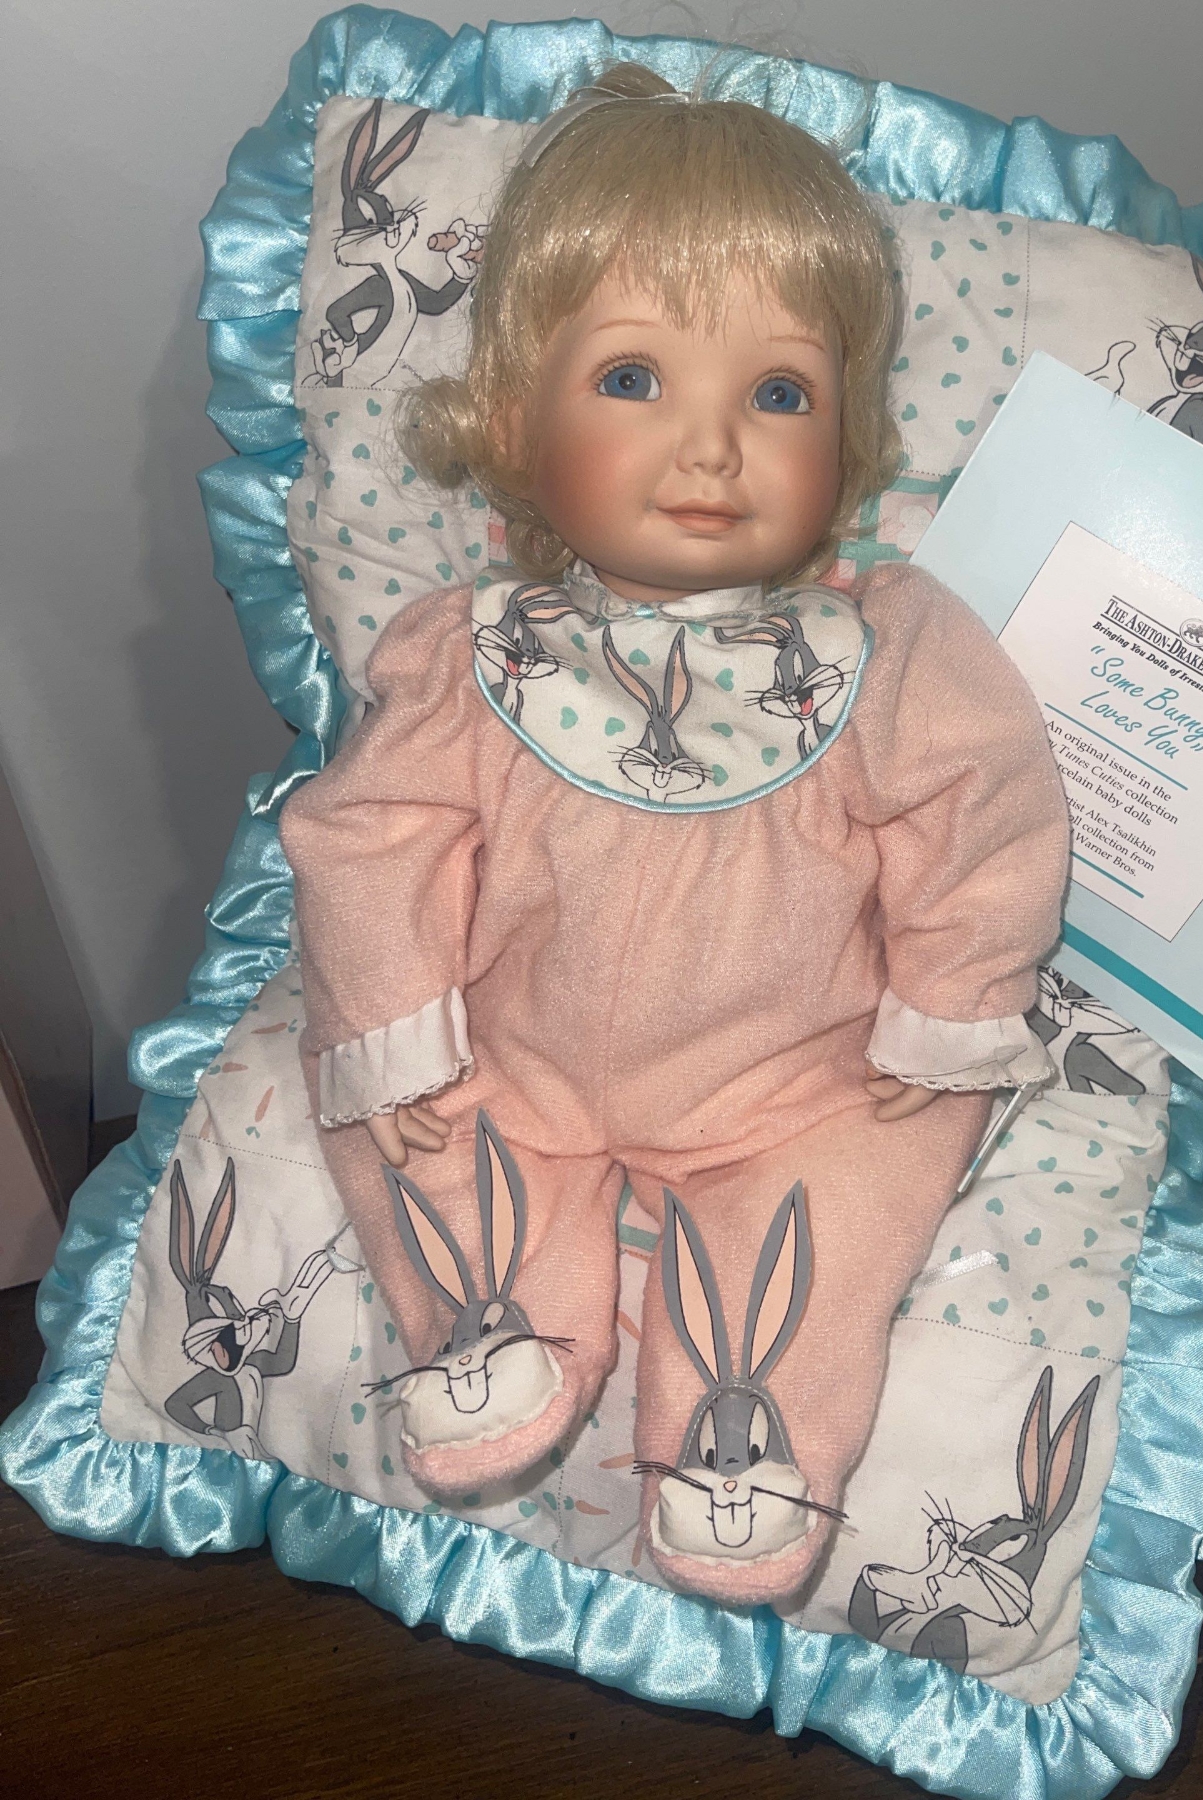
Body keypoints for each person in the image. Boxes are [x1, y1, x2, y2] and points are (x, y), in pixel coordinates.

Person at [280, 64, 1069, 1604]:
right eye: (634, 377)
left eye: (778, 395)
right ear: (518, 413)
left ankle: (748, 1415)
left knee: (846, 1194)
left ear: (847, 436)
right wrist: (397, 1029)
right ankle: (491, 1317)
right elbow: (370, 840)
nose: (712, 449)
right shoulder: (469, 648)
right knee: (400, 1122)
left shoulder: (888, 650)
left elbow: (983, 817)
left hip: (790, 1079)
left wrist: (949, 1006)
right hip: (512, 1048)